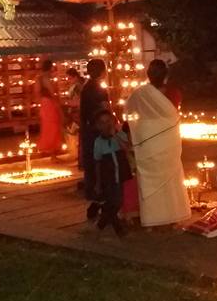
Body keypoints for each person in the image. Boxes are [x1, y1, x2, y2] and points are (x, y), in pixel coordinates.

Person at [124, 59, 192, 228]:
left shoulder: (140, 94)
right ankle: (171, 215)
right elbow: (173, 114)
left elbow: (129, 112)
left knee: (149, 179)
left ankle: (152, 217)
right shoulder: (173, 92)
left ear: (148, 74)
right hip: (167, 140)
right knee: (169, 177)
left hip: (148, 139)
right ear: (166, 75)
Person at [92, 109, 131, 237]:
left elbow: (126, 148)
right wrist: (97, 183)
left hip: (119, 174)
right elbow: (97, 162)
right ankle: (118, 229)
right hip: (107, 176)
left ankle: (101, 222)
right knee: (112, 200)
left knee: (117, 201)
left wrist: (115, 135)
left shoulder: (120, 136)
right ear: (98, 126)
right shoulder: (98, 142)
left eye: (108, 121)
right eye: (102, 123)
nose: (106, 125)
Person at [79, 58, 110, 208]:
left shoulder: (86, 87)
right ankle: (100, 189)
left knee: (91, 160)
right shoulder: (99, 89)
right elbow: (105, 109)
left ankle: (90, 189)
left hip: (88, 128)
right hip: (98, 129)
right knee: (100, 160)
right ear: (102, 71)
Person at [35, 60, 63, 160]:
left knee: (48, 127)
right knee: (53, 127)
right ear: (50, 67)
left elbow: (37, 93)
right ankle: (53, 154)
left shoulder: (39, 78)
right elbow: (52, 92)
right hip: (49, 103)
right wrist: (57, 103)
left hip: (44, 103)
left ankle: (52, 154)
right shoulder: (45, 78)